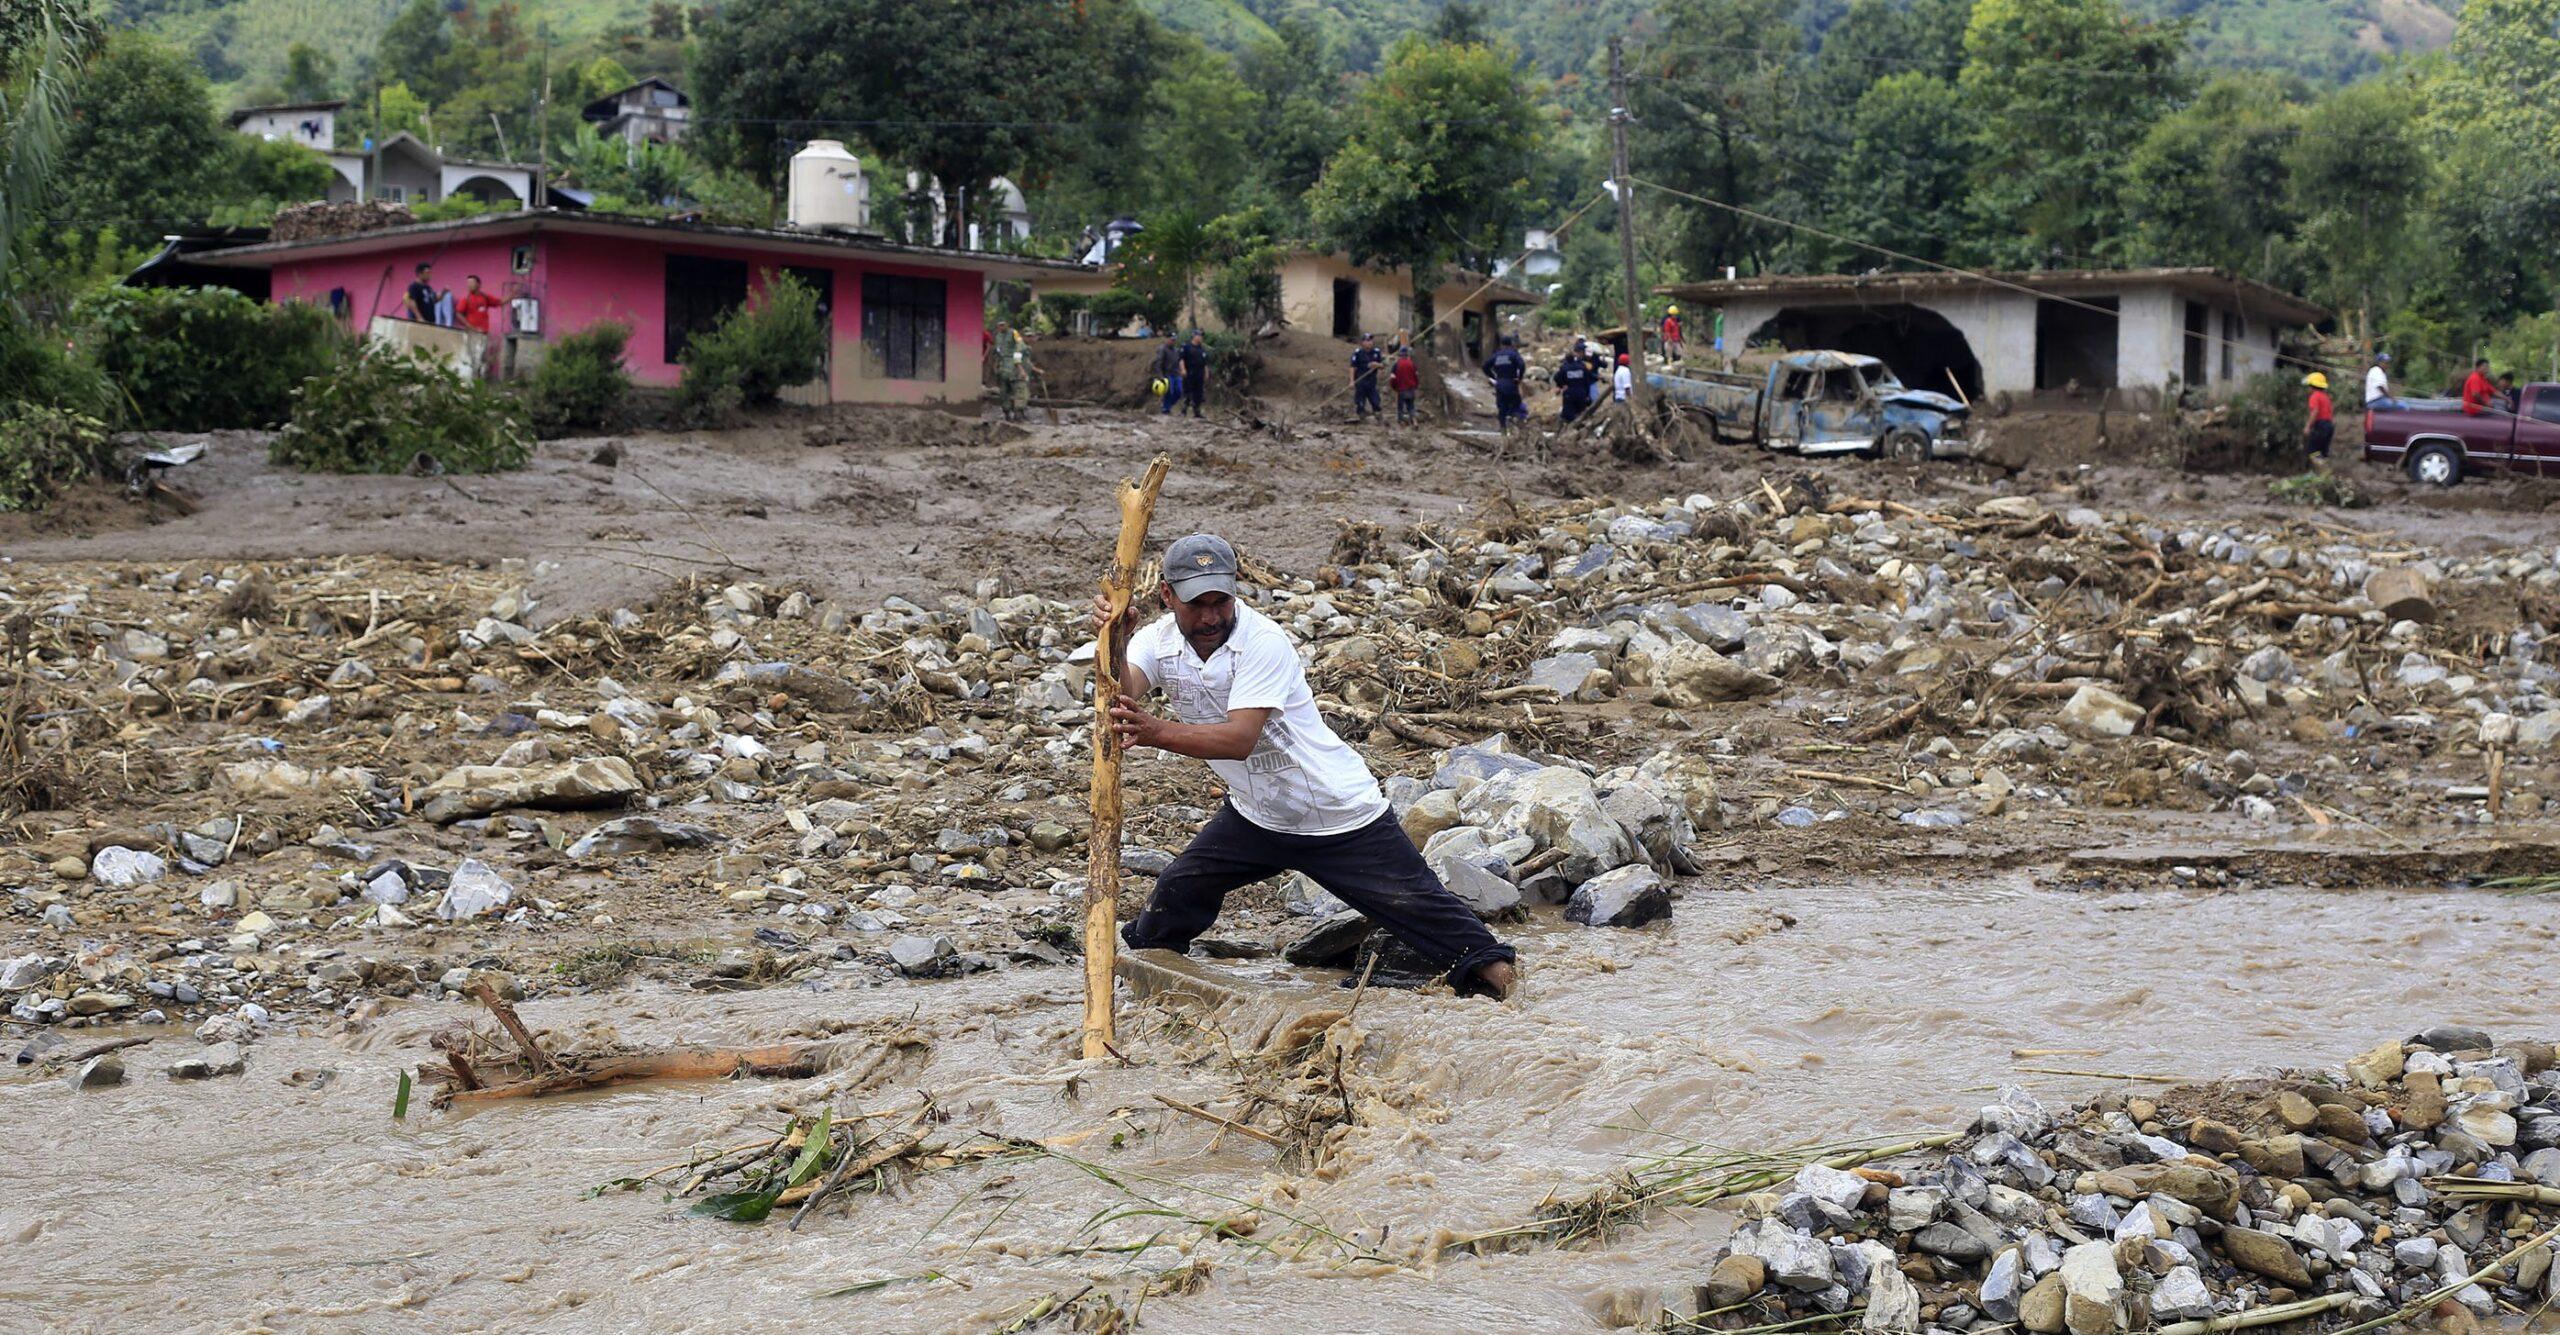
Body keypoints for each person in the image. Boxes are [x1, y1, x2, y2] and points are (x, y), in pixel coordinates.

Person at [1093, 534, 1519, 999]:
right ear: (1167, 596)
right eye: (1198, 604)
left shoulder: (1263, 642)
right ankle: (1159, 997)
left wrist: (1154, 732)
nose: (1211, 616)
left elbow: (1239, 740)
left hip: (1338, 815)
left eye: (1221, 601)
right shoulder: (1157, 642)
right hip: (1258, 815)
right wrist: (1115, 638)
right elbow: (1120, 693)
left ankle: (1516, 997)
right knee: (1173, 898)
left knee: (1439, 923)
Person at [990, 319, 1033, 423]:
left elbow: (1018, 348)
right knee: (1007, 392)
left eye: (1003, 325)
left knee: (1017, 391)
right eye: (999, 325)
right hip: (1005, 368)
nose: (1001, 327)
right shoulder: (998, 336)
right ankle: (1008, 414)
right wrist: (996, 365)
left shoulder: (1014, 333)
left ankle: (1017, 414)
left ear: (1007, 324)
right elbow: (997, 351)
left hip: (1011, 366)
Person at [1484, 334, 1528, 430]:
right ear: (1511, 344)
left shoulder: (1496, 355)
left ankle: (1503, 428)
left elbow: (1485, 366)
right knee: (1516, 404)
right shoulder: (1514, 354)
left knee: (1502, 407)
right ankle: (1515, 426)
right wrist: (1519, 378)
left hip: (1500, 384)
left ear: (1501, 344)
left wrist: (1493, 377)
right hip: (1511, 383)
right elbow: (1522, 365)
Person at [1349, 333, 1385, 420]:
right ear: (1363, 342)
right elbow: (1352, 367)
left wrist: (1377, 365)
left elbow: (1383, 365)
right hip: (1361, 380)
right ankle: (1361, 416)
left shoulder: (1376, 352)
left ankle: (1378, 416)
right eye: (1368, 340)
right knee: (1360, 401)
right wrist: (1351, 381)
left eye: (1371, 340)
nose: (1370, 343)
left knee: (1375, 401)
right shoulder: (1358, 353)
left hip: (1372, 381)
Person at [2303, 372, 2334, 462]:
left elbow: (2315, 412)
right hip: (2329, 426)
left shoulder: (2314, 396)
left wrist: (2308, 427)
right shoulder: (2325, 397)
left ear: (2312, 386)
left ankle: (2319, 473)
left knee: (2314, 452)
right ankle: (2325, 473)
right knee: (2323, 453)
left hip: (2321, 425)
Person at [1179, 332, 1209, 418]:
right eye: (1199, 336)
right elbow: (1181, 359)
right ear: (1194, 337)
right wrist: (1183, 369)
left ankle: (1197, 412)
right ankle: (1183, 411)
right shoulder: (1186, 347)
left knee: (1199, 393)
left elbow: (1205, 363)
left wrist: (1206, 372)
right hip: (1189, 372)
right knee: (1187, 392)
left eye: (1201, 336)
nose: (1201, 338)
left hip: (1199, 373)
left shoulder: (1201, 349)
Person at [1153, 335, 1184, 415]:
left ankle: (1168, 406)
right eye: (1171, 340)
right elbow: (1158, 363)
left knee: (1179, 392)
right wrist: (1161, 376)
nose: (1173, 341)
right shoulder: (1162, 349)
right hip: (1167, 373)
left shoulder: (1176, 350)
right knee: (1169, 391)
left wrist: (1181, 370)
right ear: (1167, 339)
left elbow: (1179, 361)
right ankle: (1165, 408)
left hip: (1176, 373)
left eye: (1174, 340)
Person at [1390, 344, 1420, 424]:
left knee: (1400, 407)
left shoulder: (1396, 365)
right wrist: (1416, 386)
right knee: (1411, 406)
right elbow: (1416, 376)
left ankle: (1401, 421)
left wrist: (1394, 387)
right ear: (1407, 354)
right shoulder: (1412, 364)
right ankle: (1414, 420)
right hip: (1411, 389)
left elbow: (1392, 378)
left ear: (1399, 354)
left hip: (1401, 390)